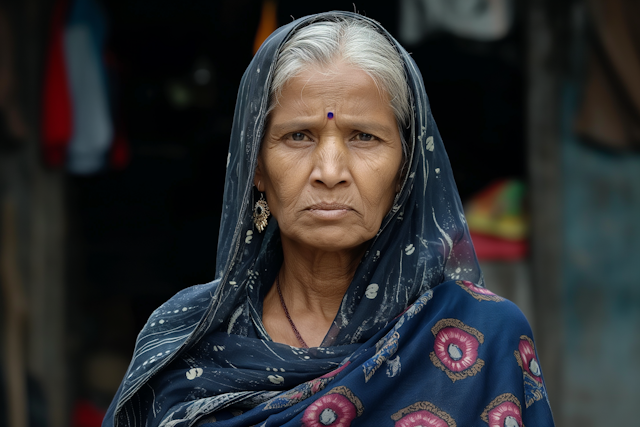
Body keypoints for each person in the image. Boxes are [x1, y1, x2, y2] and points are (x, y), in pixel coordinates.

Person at [102, 11, 555, 427]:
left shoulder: (483, 335)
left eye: (364, 137)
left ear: (405, 171)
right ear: (256, 168)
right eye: (299, 136)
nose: (331, 172)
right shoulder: (188, 340)